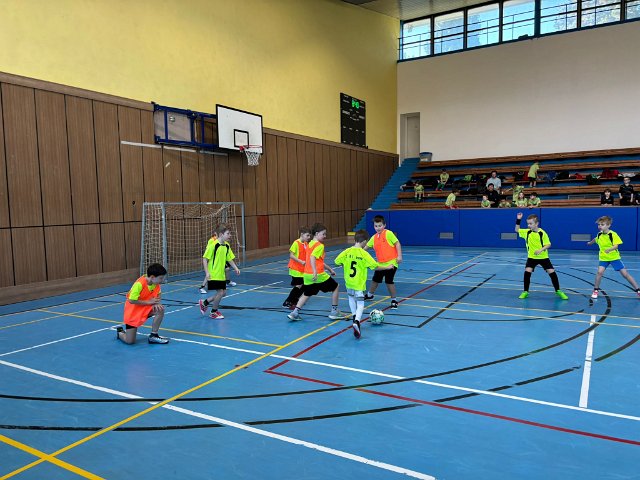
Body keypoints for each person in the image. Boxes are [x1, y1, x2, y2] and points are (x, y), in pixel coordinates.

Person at [335, 230, 393, 338]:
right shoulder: (364, 254)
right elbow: (375, 266)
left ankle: (354, 317)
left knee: (351, 299)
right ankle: (357, 321)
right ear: (365, 241)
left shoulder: (347, 251)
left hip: (349, 282)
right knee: (360, 303)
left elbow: (337, 261)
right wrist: (387, 267)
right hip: (358, 283)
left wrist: (346, 264)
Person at [287, 223, 346, 321]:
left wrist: (330, 269)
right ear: (317, 233)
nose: (325, 236)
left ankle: (294, 313)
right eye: (323, 234)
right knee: (336, 287)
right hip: (318, 274)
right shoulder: (319, 245)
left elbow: (318, 260)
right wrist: (315, 271)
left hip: (307, 274)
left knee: (307, 293)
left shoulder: (309, 244)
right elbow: (312, 257)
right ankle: (334, 311)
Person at [515, 212, 568, 300]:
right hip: (531, 257)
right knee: (527, 272)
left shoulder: (542, 233)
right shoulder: (527, 232)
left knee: (552, 273)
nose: (529, 225)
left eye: (531, 224)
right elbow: (517, 230)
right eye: (528, 224)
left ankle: (558, 290)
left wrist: (540, 250)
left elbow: (548, 244)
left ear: (536, 224)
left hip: (543, 257)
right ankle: (525, 291)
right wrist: (518, 219)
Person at [587, 216, 640, 299]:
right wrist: (590, 243)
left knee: (625, 274)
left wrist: (609, 249)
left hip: (614, 258)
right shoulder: (599, 234)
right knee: (599, 272)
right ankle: (595, 290)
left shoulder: (613, 234)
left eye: (602, 224)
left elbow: (616, 246)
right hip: (604, 258)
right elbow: (595, 239)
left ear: (608, 225)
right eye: (599, 224)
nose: (600, 226)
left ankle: (638, 290)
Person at [117, 263, 169, 344]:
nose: (162, 280)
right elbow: (131, 300)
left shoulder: (156, 284)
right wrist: (149, 302)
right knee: (130, 341)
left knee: (160, 309)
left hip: (145, 308)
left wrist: (156, 303)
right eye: (160, 278)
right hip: (133, 312)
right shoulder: (139, 284)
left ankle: (153, 335)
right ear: (152, 277)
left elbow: (158, 296)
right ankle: (120, 332)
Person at [198, 224, 241, 319]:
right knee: (220, 292)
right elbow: (205, 259)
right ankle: (213, 312)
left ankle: (205, 302)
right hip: (213, 274)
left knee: (223, 293)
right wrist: (207, 273)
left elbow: (229, 259)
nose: (230, 235)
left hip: (221, 275)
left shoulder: (227, 246)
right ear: (221, 234)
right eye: (228, 233)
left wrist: (236, 268)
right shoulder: (213, 245)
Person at [364, 215, 403, 309]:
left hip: (391, 263)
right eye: (376, 226)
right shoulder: (374, 237)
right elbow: (365, 248)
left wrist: (399, 256)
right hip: (380, 264)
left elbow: (397, 243)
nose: (378, 228)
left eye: (380, 225)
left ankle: (394, 300)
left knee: (389, 281)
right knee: (375, 280)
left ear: (384, 225)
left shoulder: (388, 233)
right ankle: (370, 295)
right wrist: (357, 252)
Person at [283, 226, 311, 309]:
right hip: (295, 268)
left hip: (302, 269)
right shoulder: (296, 243)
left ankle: (295, 300)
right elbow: (291, 255)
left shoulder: (305, 244)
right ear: (302, 234)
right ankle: (288, 301)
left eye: (309, 236)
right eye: (307, 235)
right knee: (299, 285)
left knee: (304, 285)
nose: (309, 237)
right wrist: (301, 261)